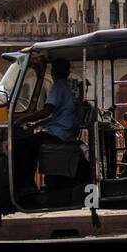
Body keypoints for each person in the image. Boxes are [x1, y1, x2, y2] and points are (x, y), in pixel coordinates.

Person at [12, 59, 77, 193]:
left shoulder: (58, 86)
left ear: (52, 73)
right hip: (64, 132)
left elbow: (47, 111)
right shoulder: (69, 86)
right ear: (68, 72)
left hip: (57, 134)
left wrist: (21, 120)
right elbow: (56, 116)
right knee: (31, 144)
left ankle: (26, 186)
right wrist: (36, 124)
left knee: (21, 145)